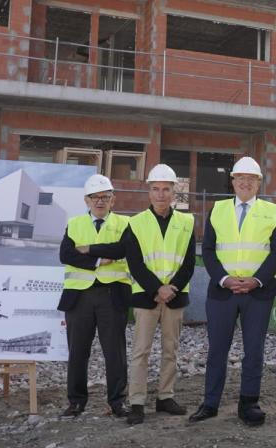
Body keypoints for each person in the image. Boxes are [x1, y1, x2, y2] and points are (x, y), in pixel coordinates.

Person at [190, 156, 276, 427]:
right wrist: (223, 279)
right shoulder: (217, 210)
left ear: (259, 183)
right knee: (217, 350)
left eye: (251, 178)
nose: (245, 182)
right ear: (232, 181)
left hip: (258, 293)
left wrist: (256, 280)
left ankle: (249, 403)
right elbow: (207, 249)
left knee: (254, 350)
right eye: (240, 177)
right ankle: (210, 403)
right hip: (223, 293)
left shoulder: (272, 212)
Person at [123, 163, 196, 426]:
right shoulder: (136, 223)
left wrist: (171, 288)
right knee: (141, 351)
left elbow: (189, 263)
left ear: (174, 191)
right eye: (156, 189)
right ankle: (137, 402)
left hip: (174, 296)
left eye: (166, 189)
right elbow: (135, 263)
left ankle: (165, 396)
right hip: (147, 297)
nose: (161, 194)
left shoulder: (187, 222)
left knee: (170, 350)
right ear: (149, 192)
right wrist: (157, 289)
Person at [57, 174, 132, 418]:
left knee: (115, 351)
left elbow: (121, 250)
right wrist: (100, 259)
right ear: (86, 200)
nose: (100, 202)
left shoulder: (124, 224)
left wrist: (88, 250)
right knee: (78, 351)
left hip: (113, 295)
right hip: (80, 297)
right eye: (95, 197)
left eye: (105, 197)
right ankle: (76, 401)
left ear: (113, 200)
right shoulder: (75, 223)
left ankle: (118, 401)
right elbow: (66, 255)